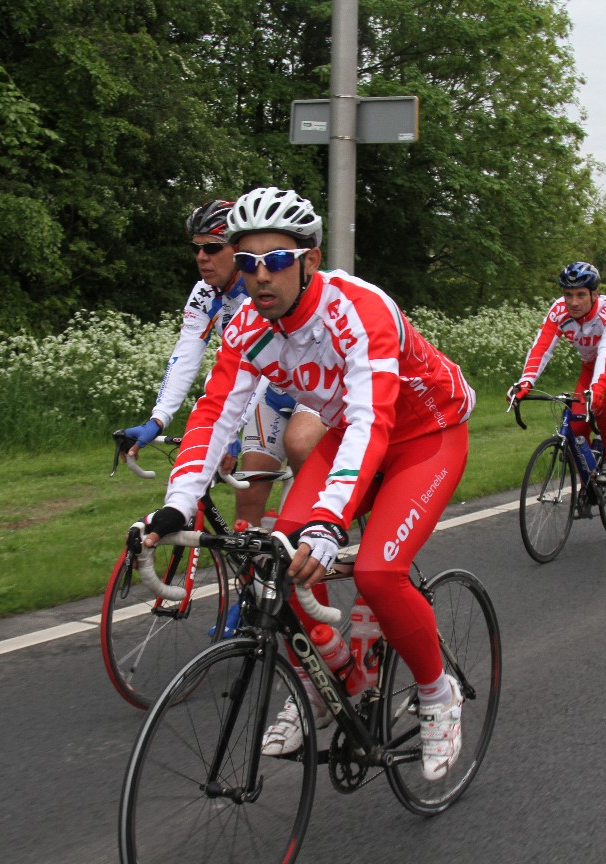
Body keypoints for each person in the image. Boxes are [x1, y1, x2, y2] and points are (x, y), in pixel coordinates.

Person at [139, 186, 476, 781]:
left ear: (310, 260)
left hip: (426, 435)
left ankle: (436, 692)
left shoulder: (358, 309)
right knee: (272, 560)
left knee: (378, 572)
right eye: (248, 261)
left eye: (276, 260)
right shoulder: (247, 326)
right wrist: (177, 505)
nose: (260, 275)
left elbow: (372, 419)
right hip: (349, 433)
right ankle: (332, 675)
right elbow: (214, 416)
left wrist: (328, 520)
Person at [120, 199, 324, 527]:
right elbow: (185, 355)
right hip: (269, 395)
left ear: (237, 250)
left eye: (213, 248)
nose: (202, 257)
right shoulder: (205, 293)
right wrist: (158, 418)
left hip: (311, 390)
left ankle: (313, 532)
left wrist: (231, 429)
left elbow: (260, 364)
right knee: (248, 507)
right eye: (196, 249)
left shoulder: (265, 289)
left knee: (299, 448)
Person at [508, 262, 606, 486]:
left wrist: (598, 389)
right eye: (568, 295)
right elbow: (542, 348)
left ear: (594, 294)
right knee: (576, 429)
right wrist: (525, 383)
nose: (573, 302)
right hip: (591, 366)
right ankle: (589, 485)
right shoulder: (559, 311)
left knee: (602, 396)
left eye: (581, 295)